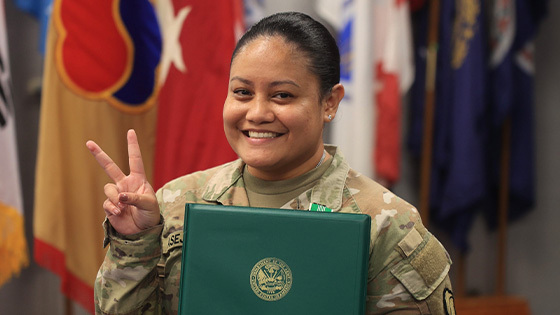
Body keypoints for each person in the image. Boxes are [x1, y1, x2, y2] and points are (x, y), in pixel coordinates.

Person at [87, 11, 455, 315]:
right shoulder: (175, 203)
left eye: (282, 95)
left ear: (329, 102)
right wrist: (136, 242)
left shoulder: (388, 224)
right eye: (242, 92)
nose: (257, 113)